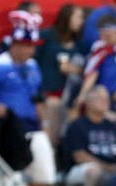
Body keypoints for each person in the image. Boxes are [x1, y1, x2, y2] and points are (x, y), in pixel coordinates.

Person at [0, 12, 56, 186]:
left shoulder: (32, 66)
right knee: (10, 177)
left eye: (32, 47)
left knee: (46, 177)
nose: (31, 51)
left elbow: (38, 98)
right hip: (9, 127)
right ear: (16, 44)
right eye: (27, 46)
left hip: (33, 127)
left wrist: (45, 124)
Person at [60, 85, 116, 186]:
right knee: (93, 171)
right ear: (88, 102)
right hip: (80, 169)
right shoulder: (77, 126)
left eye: (106, 99)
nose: (105, 102)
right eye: (100, 98)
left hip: (113, 167)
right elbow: (79, 156)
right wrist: (107, 167)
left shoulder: (114, 126)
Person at [36, 5, 86, 146]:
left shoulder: (79, 43)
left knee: (64, 134)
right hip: (47, 92)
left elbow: (87, 69)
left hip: (69, 96)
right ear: (67, 17)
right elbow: (32, 59)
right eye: (78, 17)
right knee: (49, 133)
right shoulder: (47, 36)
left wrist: (75, 69)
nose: (81, 21)